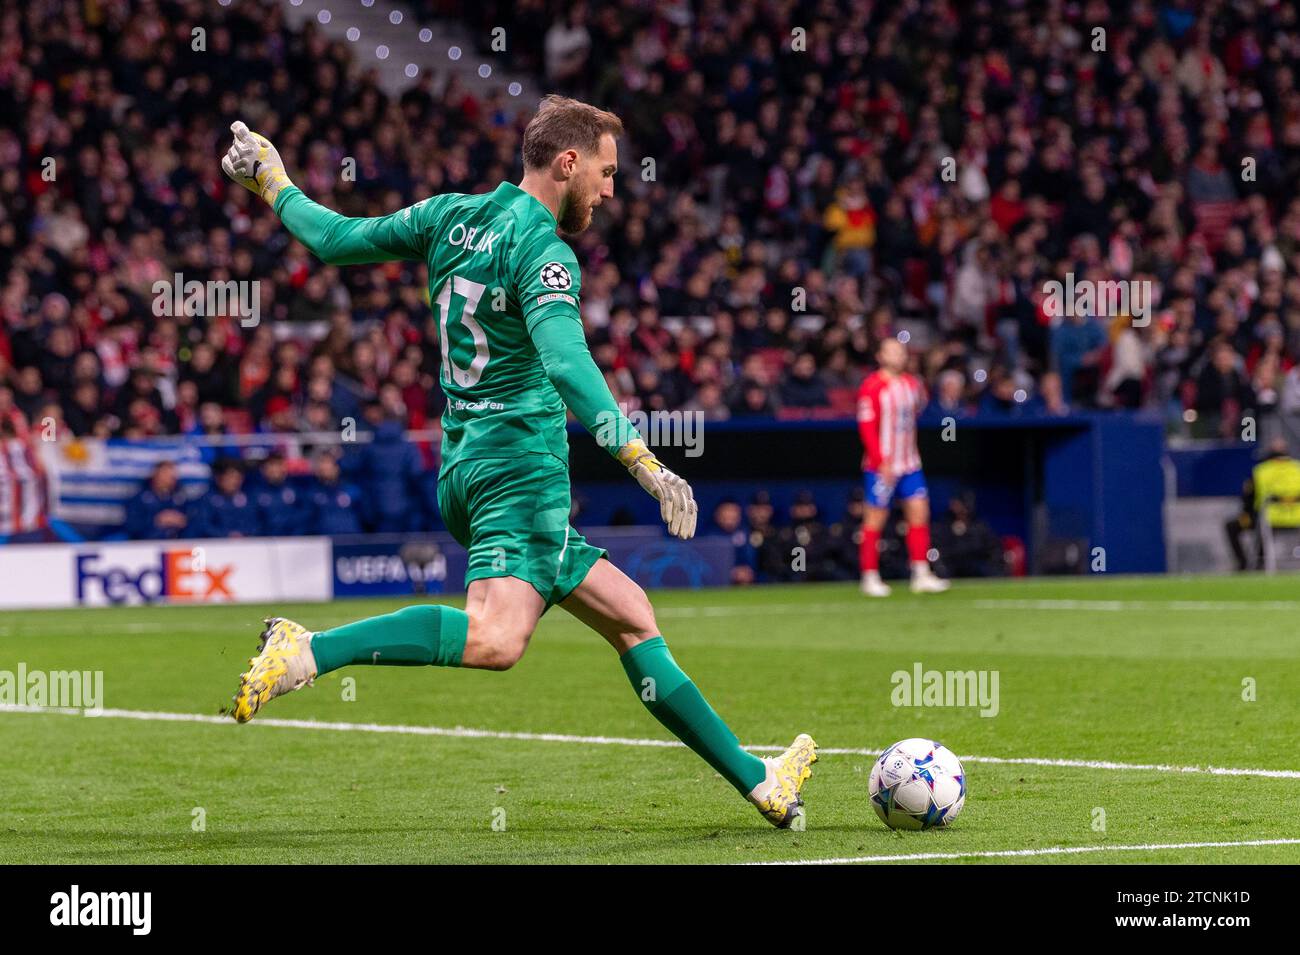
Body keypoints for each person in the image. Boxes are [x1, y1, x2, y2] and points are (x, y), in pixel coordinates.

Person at [218, 98, 815, 827]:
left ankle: (760, 781)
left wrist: (274, 182)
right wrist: (642, 459)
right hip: (519, 472)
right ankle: (308, 650)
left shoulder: (449, 216)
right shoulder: (542, 249)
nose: (611, 189)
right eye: (605, 171)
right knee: (496, 640)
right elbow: (566, 361)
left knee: (631, 616)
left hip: (463, 469)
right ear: (568, 163)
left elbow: (337, 239)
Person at [856, 337, 950, 596]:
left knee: (919, 512)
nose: (899, 356)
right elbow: (866, 427)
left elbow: (920, 408)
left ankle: (920, 572)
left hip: (910, 463)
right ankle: (869, 575)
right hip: (882, 465)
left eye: (902, 352)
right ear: (881, 356)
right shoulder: (872, 387)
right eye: (893, 352)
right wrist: (879, 460)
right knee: (875, 519)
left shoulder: (911, 384)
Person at [125, 460, 190, 540]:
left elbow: (193, 521)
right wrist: (156, 520)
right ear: (156, 475)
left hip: (178, 543)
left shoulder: (181, 498)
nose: (169, 479)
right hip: (147, 544)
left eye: (172, 476)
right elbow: (132, 526)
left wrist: (182, 520)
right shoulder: (139, 500)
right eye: (165, 475)